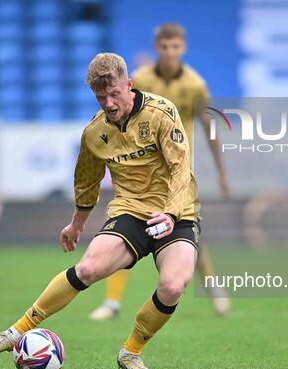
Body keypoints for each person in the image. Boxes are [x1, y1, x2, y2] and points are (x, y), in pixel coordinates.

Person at [0, 53, 201, 369]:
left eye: (114, 94)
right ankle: (13, 333)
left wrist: (172, 213)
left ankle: (131, 352)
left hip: (177, 210)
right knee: (88, 267)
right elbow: (87, 182)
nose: (108, 102)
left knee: (173, 286)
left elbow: (180, 169)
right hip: (131, 210)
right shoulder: (94, 133)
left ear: (129, 86)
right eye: (100, 97)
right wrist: (76, 225)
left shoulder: (162, 114)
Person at [89, 23, 231, 321]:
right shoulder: (141, 79)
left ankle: (211, 284)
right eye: (165, 47)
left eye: (175, 47)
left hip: (177, 172)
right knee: (122, 227)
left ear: (183, 48)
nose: (170, 52)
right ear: (158, 48)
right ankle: (112, 302)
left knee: (185, 233)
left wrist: (221, 172)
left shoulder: (195, 84)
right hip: (140, 172)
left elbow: (209, 129)